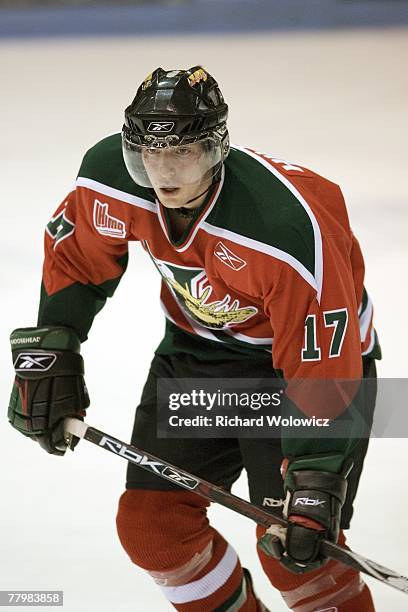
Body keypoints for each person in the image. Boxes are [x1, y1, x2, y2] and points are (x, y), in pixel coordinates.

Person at [9, 66, 381, 611]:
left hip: (309, 372)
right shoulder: (108, 180)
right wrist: (54, 346)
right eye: (147, 156)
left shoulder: (284, 228)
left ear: (216, 150)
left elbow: (324, 358)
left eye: (181, 154)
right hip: (201, 356)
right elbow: (78, 259)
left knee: (296, 552)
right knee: (152, 530)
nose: (162, 174)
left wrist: (316, 475)